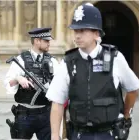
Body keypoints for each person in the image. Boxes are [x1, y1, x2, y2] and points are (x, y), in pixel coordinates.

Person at [46, 3, 139, 140]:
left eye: (82, 31)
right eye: (75, 31)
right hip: (79, 134)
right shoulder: (68, 62)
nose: (77, 36)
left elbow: (133, 89)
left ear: (96, 33)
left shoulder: (115, 58)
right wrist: (55, 135)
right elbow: (57, 102)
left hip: (109, 134)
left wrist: (126, 116)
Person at [4, 27, 59, 140]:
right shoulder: (21, 60)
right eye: (46, 41)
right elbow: (8, 83)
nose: (49, 43)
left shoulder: (52, 61)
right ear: (37, 41)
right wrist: (19, 78)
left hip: (46, 114)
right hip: (25, 114)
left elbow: (60, 86)